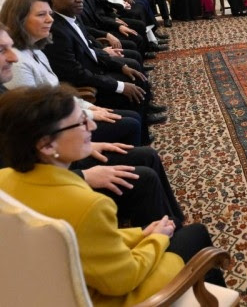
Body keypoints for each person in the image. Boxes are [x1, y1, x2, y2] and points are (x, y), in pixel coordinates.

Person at [0, 85, 225, 305]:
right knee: (196, 237)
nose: (91, 126)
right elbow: (124, 279)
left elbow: (81, 239)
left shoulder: (4, 179)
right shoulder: (89, 204)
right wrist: (157, 239)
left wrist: (139, 234)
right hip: (105, 297)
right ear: (46, 146)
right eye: (80, 122)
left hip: (45, 286)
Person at [0, 21, 183, 228]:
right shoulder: (18, 73)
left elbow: (45, 116)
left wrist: (87, 137)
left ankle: (173, 224)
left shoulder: (23, 65)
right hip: (52, 178)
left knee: (148, 155)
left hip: (57, 154)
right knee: (144, 177)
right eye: (2, 50)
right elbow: (14, 179)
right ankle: (161, 236)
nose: (13, 56)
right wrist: (82, 176)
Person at [0, 0, 145, 145]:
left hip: (65, 111)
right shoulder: (16, 63)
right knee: (131, 124)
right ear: (19, 19)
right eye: (42, 14)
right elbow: (36, 117)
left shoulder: (35, 49)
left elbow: (56, 92)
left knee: (132, 118)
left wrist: (89, 107)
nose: (50, 19)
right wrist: (87, 114)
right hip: (55, 133)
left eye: (50, 13)